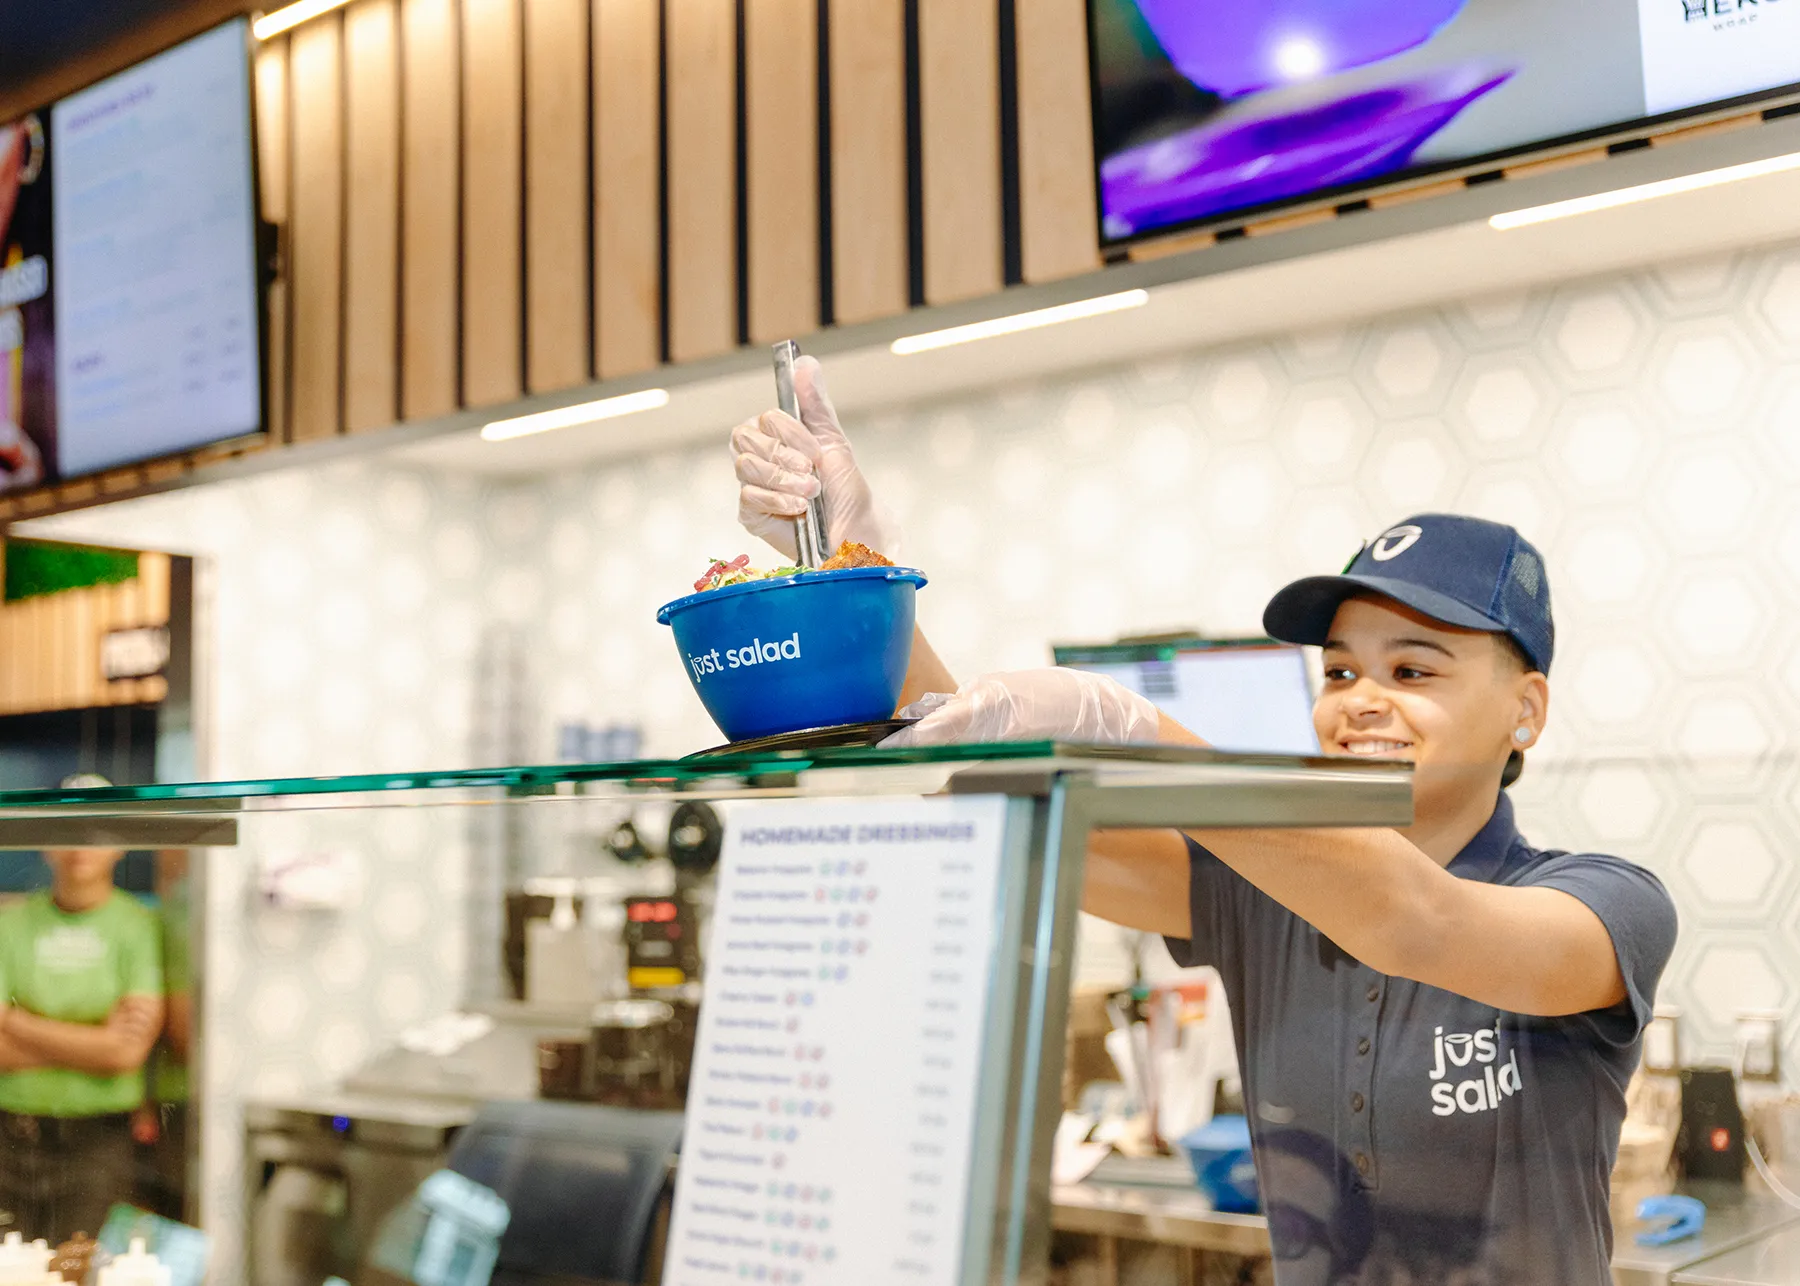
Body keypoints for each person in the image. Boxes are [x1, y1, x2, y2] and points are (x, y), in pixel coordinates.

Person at [729, 359, 1679, 1284]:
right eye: (1341, 672)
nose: (1361, 701)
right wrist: (862, 583)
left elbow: (1416, 919)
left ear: (1528, 709)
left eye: (1415, 670)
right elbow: (977, 776)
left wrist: (1132, 726)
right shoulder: (1255, 895)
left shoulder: (1607, 907)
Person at [0, 779, 165, 1243]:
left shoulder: (137, 926)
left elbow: (125, 1054)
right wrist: (93, 1039)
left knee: (80, 1270)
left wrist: (15, 1020)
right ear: (43, 841)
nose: (80, 845)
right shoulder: (10, 924)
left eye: (97, 830)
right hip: (9, 1135)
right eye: (67, 828)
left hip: (99, 1143)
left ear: (121, 844)